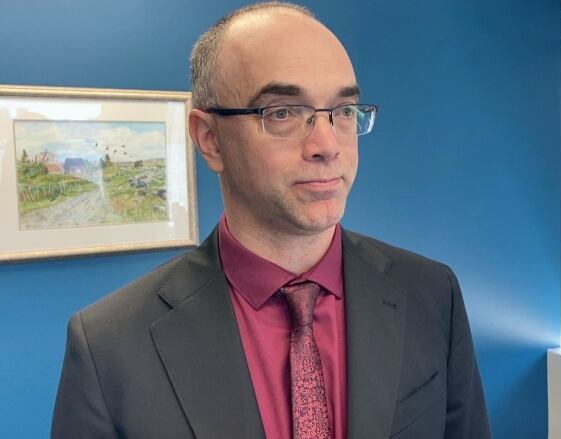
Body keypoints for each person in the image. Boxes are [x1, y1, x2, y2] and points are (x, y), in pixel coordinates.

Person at [51, 2, 491, 438]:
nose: (326, 144)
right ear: (210, 140)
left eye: (343, 112)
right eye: (282, 113)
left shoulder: (432, 295)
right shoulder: (110, 347)